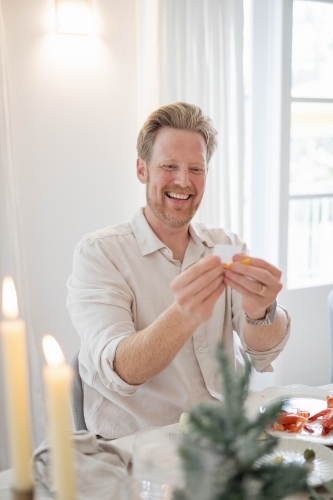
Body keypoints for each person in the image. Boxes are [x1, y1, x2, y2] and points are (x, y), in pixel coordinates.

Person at [67, 102, 290, 440]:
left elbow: (263, 352)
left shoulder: (225, 245)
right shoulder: (99, 254)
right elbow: (120, 370)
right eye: (169, 166)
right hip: (140, 450)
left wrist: (262, 311)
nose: (184, 182)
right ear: (142, 170)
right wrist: (184, 314)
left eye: (196, 169)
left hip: (224, 440)